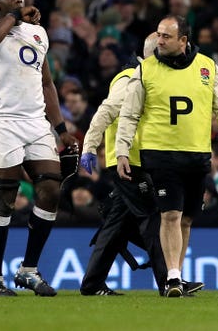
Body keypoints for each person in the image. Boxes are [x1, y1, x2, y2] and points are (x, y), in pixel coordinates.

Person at [116, 15, 218, 297]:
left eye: (166, 36)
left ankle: (177, 276)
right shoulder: (146, 70)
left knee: (186, 218)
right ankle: (171, 277)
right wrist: (122, 150)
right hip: (160, 153)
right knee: (170, 214)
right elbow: (129, 113)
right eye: (158, 35)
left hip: (196, 154)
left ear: (183, 40)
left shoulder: (207, 67)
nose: (159, 40)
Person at [0, 0, 78, 297]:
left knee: (49, 191)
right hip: (3, 123)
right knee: (6, 199)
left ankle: (28, 270)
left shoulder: (39, 34)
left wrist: (61, 129)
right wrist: (16, 18)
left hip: (35, 123)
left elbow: (47, 84)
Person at [79, 32, 175, 296]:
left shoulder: (148, 76)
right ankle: (169, 283)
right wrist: (89, 146)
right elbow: (106, 111)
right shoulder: (130, 77)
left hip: (135, 158)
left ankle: (92, 284)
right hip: (127, 160)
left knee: (117, 225)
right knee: (152, 218)